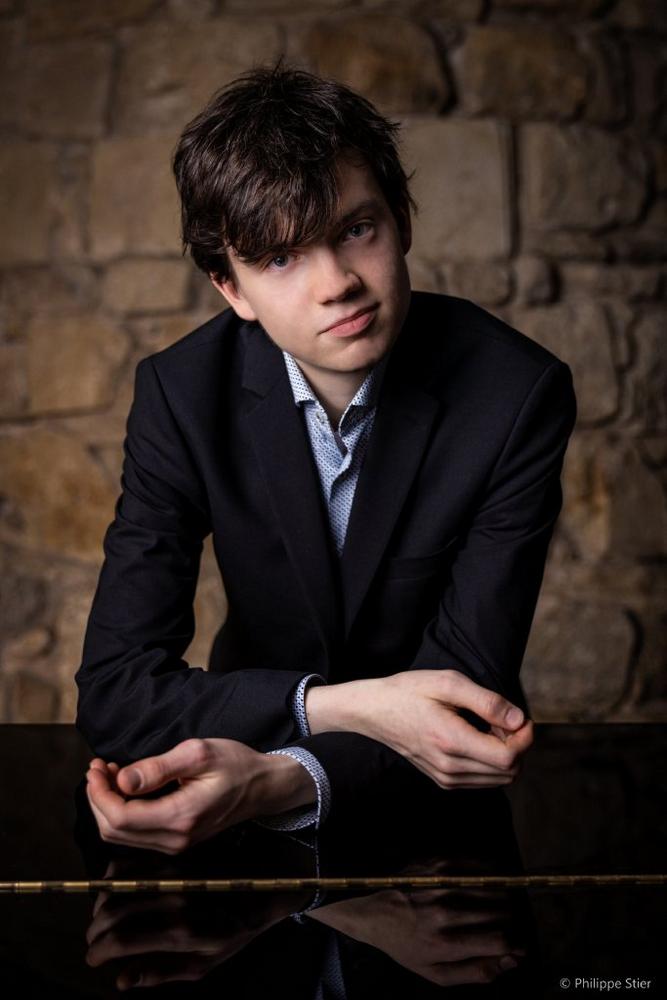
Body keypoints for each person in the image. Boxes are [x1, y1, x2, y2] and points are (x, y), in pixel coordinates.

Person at [77, 66, 576, 854]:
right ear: (230, 289)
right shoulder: (181, 395)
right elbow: (115, 691)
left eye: (355, 230)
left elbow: (461, 703)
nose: (336, 284)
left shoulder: (515, 393)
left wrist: (275, 778)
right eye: (279, 258)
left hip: (432, 815)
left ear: (401, 221)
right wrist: (340, 707)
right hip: (230, 802)